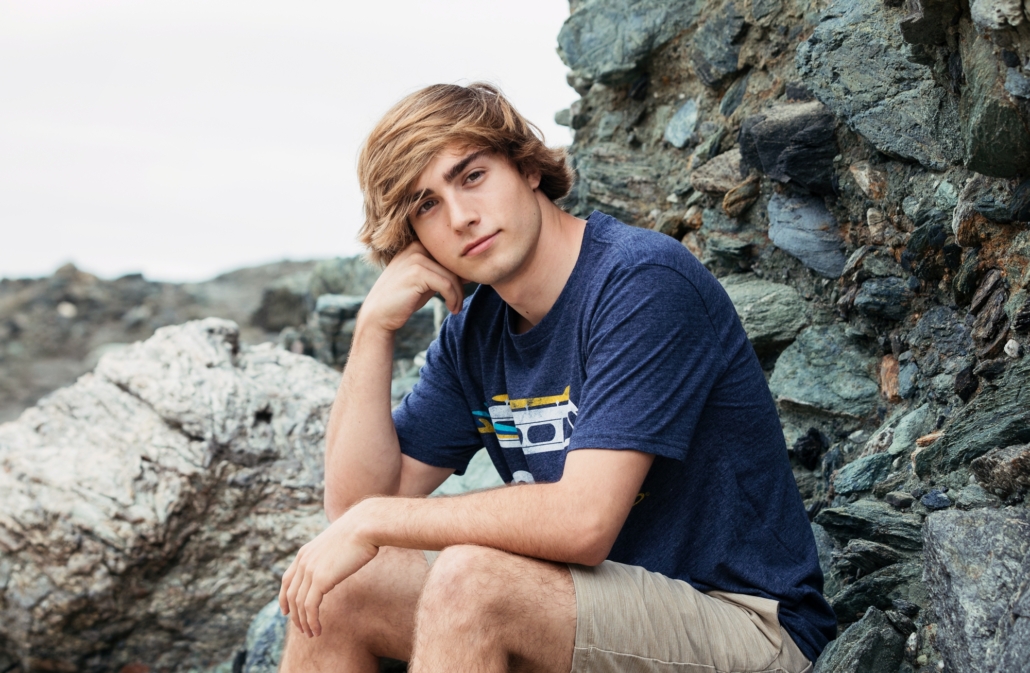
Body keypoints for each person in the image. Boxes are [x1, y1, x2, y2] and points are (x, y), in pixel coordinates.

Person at [278, 82, 836, 673]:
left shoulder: (640, 282)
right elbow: (353, 507)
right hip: (581, 617)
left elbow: (582, 522)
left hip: (745, 627)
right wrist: (373, 333)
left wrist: (377, 520)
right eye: (426, 205)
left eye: (471, 177)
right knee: (337, 590)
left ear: (526, 168)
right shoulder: (474, 333)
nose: (462, 217)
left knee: (472, 582)